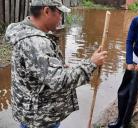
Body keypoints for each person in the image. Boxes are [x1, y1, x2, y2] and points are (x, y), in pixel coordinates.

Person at [4, 0, 107, 128]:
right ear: (46, 11)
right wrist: (91, 63)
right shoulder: (36, 43)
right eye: (59, 13)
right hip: (39, 120)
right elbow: (61, 81)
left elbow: (39, 72)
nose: (61, 18)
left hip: (35, 113)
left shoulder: (26, 31)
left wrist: (58, 66)